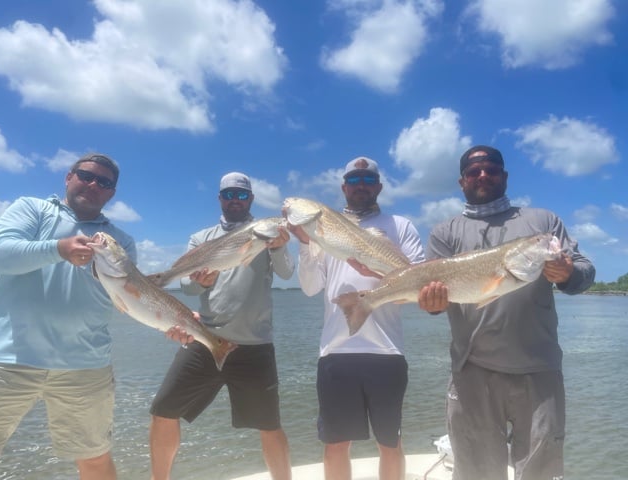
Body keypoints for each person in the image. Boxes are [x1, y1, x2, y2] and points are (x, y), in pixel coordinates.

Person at [418, 145, 596, 480]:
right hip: (472, 371)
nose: (483, 175)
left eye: (491, 169)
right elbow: (436, 298)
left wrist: (569, 273)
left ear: (505, 176)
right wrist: (431, 304)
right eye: (474, 171)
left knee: (540, 473)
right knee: (476, 473)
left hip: (539, 370)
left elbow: (585, 272)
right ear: (461, 181)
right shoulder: (445, 232)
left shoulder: (542, 223)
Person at [0, 153, 135, 480]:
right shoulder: (32, 209)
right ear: (69, 177)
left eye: (105, 182)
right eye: (86, 175)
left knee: (94, 458)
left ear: (112, 193)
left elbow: (132, 298)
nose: (94, 184)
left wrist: (176, 324)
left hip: (86, 363)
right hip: (8, 357)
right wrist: (58, 248)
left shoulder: (121, 241)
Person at [149, 172, 295, 480]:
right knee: (163, 410)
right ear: (220, 198)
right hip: (206, 340)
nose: (235, 200)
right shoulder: (201, 239)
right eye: (229, 195)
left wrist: (279, 246)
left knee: (270, 425)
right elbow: (189, 289)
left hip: (254, 347)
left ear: (251, 200)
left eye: (242, 196)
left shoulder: (265, 237)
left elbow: (285, 273)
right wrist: (201, 282)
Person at [286, 157, 425, 480]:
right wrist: (306, 244)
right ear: (344, 187)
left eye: (367, 179)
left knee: (390, 443)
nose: (360, 184)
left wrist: (375, 269)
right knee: (335, 445)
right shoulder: (322, 230)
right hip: (336, 351)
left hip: (387, 351)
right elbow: (310, 287)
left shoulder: (400, 226)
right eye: (354, 179)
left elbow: (417, 284)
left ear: (378, 186)